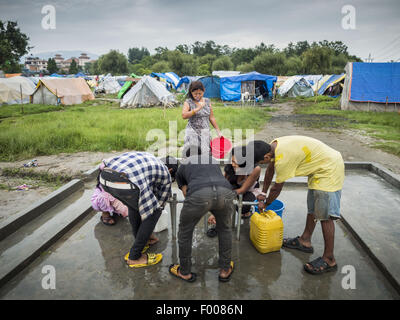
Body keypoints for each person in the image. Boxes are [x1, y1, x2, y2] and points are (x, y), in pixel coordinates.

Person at [251, 137, 345, 275]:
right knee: (313, 208)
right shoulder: (272, 146)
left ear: (266, 156)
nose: (262, 165)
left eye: (261, 162)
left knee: (325, 216)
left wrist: (266, 204)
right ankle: (305, 241)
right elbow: (270, 169)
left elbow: (277, 188)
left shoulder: (283, 158)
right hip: (319, 167)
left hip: (329, 169)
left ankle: (329, 258)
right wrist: (263, 193)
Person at [99, 152, 178, 268]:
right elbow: (162, 201)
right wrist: (153, 216)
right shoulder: (165, 172)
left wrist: (146, 233)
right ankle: (134, 257)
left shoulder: (150, 159)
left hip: (105, 178)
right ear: (170, 170)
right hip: (125, 182)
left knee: (134, 206)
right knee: (154, 212)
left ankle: (142, 240)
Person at [169, 147, 236, 282]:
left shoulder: (183, 166)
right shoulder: (212, 160)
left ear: (185, 157)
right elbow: (215, 187)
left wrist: (202, 205)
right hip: (226, 191)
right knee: (224, 229)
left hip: (199, 194)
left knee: (185, 232)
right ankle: (224, 270)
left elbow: (186, 193)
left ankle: (185, 272)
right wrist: (213, 207)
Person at [206, 146, 263, 236]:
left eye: (235, 162)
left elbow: (243, 189)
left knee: (243, 208)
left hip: (248, 189)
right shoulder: (230, 166)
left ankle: (246, 212)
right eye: (231, 161)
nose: (232, 164)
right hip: (234, 185)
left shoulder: (255, 169)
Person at [91, 180, 159, 246]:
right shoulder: (107, 187)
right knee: (128, 210)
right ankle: (105, 213)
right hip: (103, 199)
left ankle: (114, 209)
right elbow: (129, 212)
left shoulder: (126, 182)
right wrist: (147, 235)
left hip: (116, 190)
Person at [182, 80, 221, 156]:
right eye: (195, 94)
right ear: (191, 92)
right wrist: (198, 108)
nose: (198, 96)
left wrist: (218, 131)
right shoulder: (188, 102)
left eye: (200, 93)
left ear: (204, 91)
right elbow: (184, 115)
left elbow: (211, 117)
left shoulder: (207, 101)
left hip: (205, 133)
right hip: (192, 133)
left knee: (205, 155)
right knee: (193, 155)